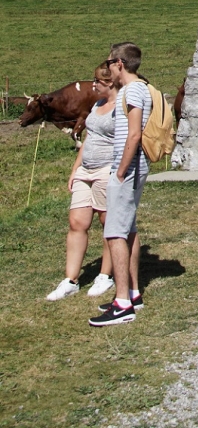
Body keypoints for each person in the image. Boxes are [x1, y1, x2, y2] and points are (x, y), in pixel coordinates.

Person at [88, 43, 151, 327]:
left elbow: (134, 133)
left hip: (127, 169)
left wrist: (121, 172)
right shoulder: (135, 89)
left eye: (109, 62)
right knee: (128, 228)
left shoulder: (133, 90)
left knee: (114, 232)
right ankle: (133, 293)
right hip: (130, 168)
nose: (108, 68)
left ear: (119, 64)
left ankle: (123, 302)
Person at [46, 64, 118, 301]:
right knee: (77, 221)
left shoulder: (122, 108)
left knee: (107, 222)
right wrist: (76, 169)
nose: (93, 84)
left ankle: (105, 275)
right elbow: (89, 139)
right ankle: (71, 280)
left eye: (97, 81)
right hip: (85, 170)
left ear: (110, 83)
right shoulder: (97, 105)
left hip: (107, 170)